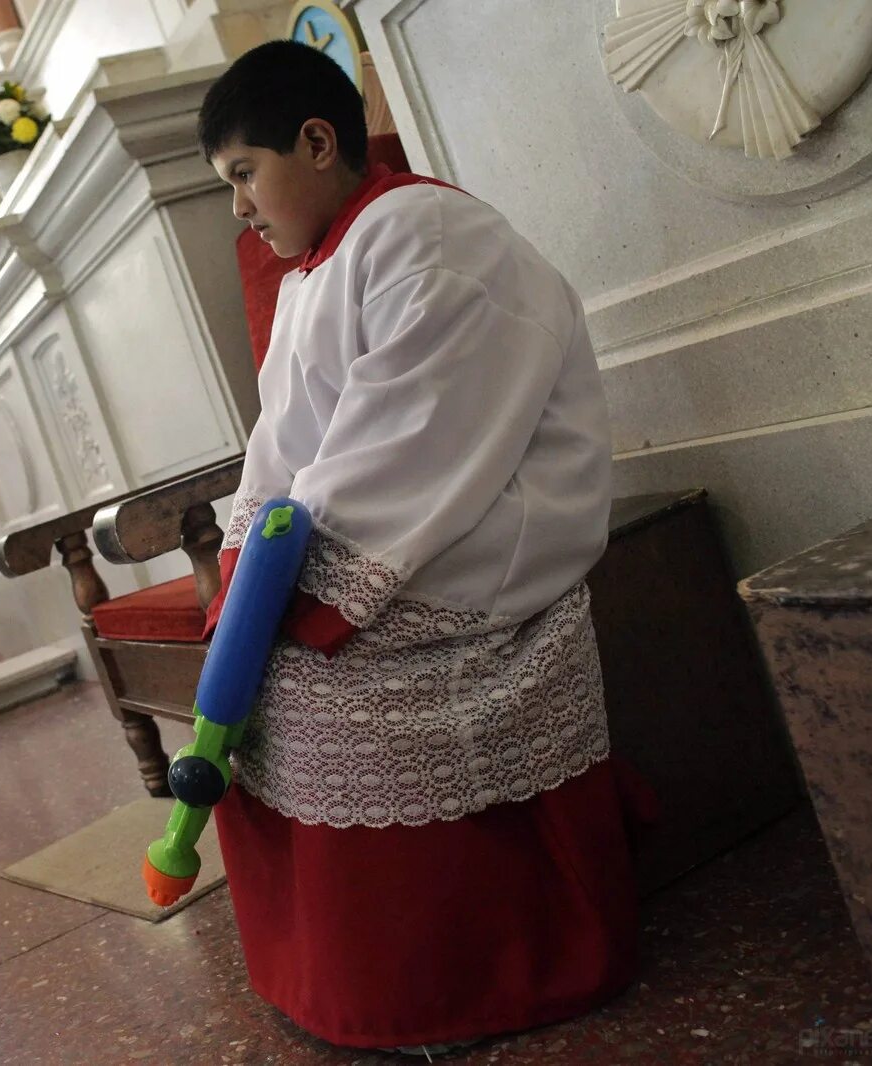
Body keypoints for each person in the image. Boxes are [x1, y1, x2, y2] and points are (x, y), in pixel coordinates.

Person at [195, 41, 641, 1055]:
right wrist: (241, 576)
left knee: (304, 681)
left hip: (490, 529)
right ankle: (329, 975)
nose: (238, 208)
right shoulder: (313, 275)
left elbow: (414, 432)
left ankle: (444, 982)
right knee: (248, 676)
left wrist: (292, 597)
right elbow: (282, 450)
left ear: (316, 142)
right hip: (421, 526)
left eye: (241, 175)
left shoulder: (426, 235)